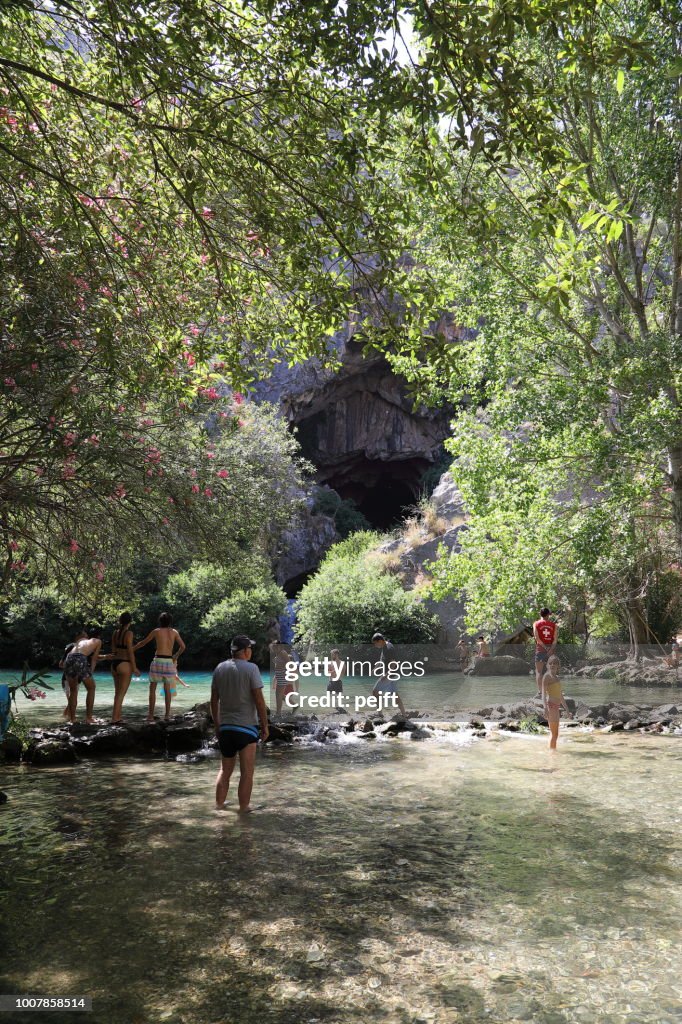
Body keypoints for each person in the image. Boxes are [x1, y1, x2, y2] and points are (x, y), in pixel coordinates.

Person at [211, 635, 269, 812]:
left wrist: (217, 725)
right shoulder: (252, 668)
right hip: (246, 729)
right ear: (244, 651)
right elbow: (259, 700)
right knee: (247, 772)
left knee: (224, 770)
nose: (251, 651)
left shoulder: (220, 668)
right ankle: (244, 808)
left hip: (226, 728)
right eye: (249, 648)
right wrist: (265, 726)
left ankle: (219, 806)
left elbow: (214, 700)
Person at [134, 612, 186, 722]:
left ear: (160, 621)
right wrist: (176, 655)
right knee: (168, 689)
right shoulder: (174, 632)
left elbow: (143, 643)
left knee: (152, 689)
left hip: (157, 660)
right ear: (170, 622)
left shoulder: (156, 631)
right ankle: (167, 715)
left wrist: (132, 649)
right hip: (168, 661)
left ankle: (150, 716)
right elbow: (183, 646)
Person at [63, 629, 102, 724]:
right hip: (80, 658)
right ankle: (89, 718)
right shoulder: (97, 641)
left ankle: (73, 719)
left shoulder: (77, 643)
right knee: (91, 688)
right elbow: (94, 659)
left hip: (69, 658)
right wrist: (91, 672)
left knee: (73, 690)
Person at [108, 612, 140, 724]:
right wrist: (135, 667)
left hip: (114, 664)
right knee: (121, 694)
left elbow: (113, 650)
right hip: (125, 664)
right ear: (130, 622)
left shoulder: (115, 633)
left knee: (117, 693)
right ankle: (115, 718)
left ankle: (117, 716)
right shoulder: (129, 633)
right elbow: (130, 651)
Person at [371, 632, 407, 718]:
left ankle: (380, 714)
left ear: (380, 641)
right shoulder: (384, 647)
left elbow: (393, 664)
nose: (375, 645)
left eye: (375, 643)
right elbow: (381, 661)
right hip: (393, 676)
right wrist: (375, 668)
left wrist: (386, 675)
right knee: (395, 695)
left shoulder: (389, 648)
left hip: (390, 675)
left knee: (375, 691)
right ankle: (404, 715)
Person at [541, 654, 572, 750]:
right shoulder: (547, 677)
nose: (552, 665)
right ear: (547, 665)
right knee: (554, 734)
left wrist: (567, 709)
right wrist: (545, 708)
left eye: (555, 663)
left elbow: (560, 695)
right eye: (550, 663)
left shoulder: (557, 677)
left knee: (555, 734)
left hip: (556, 707)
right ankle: (552, 754)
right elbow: (543, 694)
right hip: (551, 707)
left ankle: (552, 752)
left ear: (558, 665)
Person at [533, 608, 557, 697]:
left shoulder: (536, 624)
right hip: (551, 651)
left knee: (539, 672)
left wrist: (545, 648)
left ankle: (540, 691)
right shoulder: (553, 625)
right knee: (551, 671)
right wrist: (550, 649)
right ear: (548, 615)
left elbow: (537, 638)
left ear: (540, 614)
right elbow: (555, 640)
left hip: (540, 650)